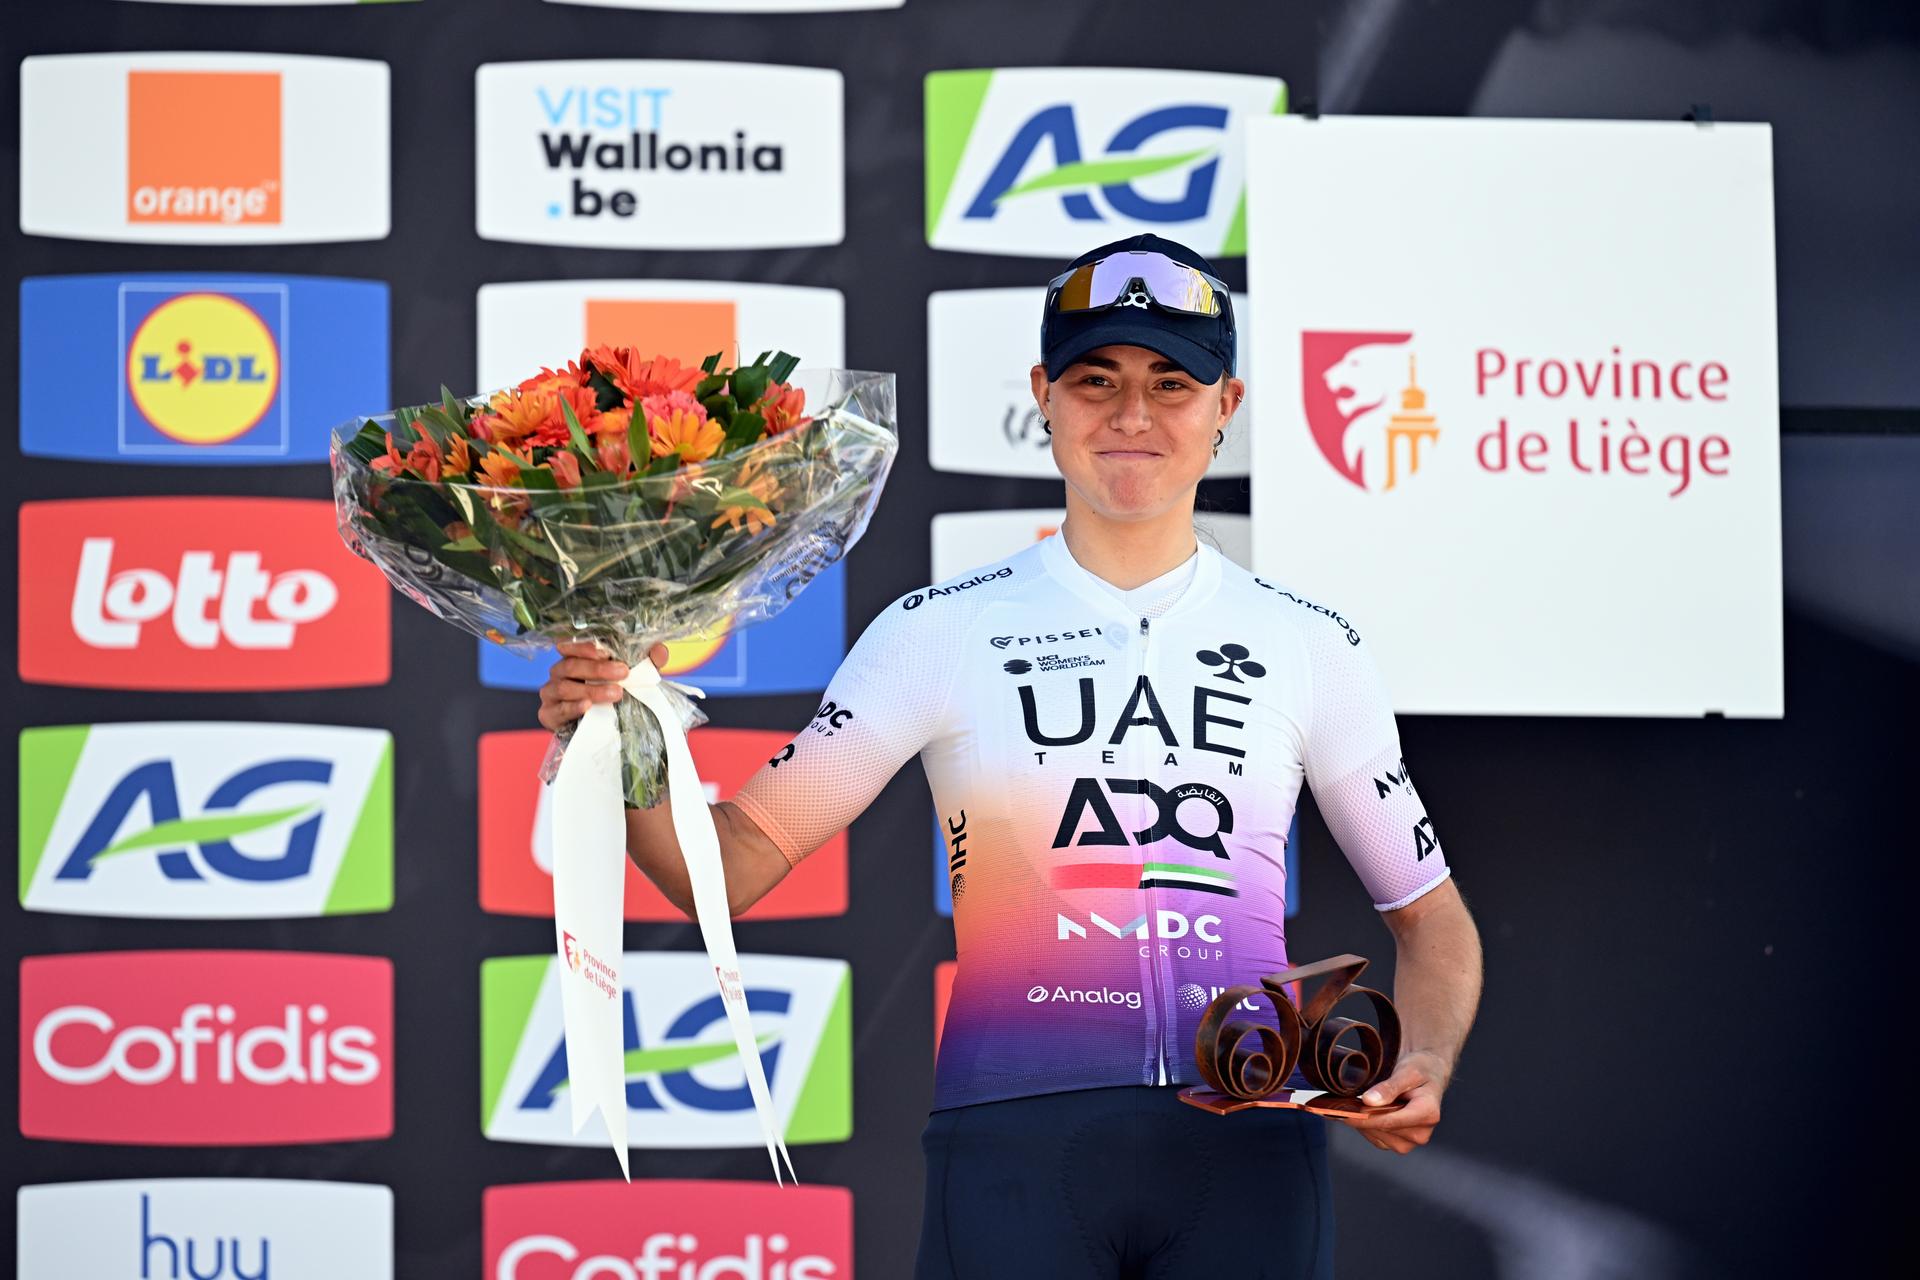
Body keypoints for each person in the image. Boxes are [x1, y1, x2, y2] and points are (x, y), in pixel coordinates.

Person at [538, 233, 1485, 1278]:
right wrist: (616, 732)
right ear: (1044, 393)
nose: (1132, 415)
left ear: (1229, 404)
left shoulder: (1310, 643)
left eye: (1172, 383)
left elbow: (1431, 922)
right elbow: (726, 866)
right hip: (1017, 1148)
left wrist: (1426, 1059)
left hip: (1249, 1148)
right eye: (1096, 380)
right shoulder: (938, 629)